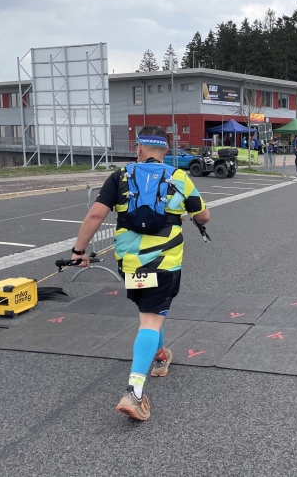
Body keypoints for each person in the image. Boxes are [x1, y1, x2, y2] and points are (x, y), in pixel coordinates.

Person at [70, 126, 210, 422]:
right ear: (166, 151)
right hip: (164, 261)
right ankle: (133, 392)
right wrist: (185, 213)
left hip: (130, 263)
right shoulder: (179, 176)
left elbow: (96, 214)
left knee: (149, 310)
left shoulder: (120, 176)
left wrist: (79, 251)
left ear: (138, 148)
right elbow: (204, 216)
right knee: (151, 318)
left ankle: (159, 356)